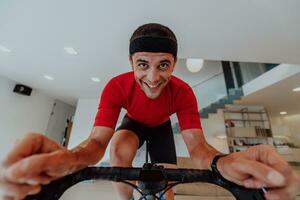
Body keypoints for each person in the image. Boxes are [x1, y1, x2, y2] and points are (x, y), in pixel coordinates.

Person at [0, 23, 299, 200]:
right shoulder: (116, 87)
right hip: (134, 124)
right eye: (143, 64)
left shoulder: (183, 92)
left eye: (163, 65)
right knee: (118, 148)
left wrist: (221, 162)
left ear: (174, 63)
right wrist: (71, 158)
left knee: (167, 177)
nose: (153, 78)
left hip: (160, 127)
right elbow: (95, 145)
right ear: (131, 62)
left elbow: (198, 148)